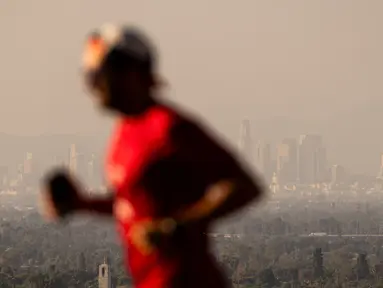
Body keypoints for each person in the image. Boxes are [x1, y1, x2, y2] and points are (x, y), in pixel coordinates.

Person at [40, 24, 265, 288]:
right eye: (89, 77)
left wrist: (178, 226)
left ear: (130, 73)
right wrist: (81, 204)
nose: (93, 86)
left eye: (99, 76)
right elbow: (133, 204)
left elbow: (244, 186)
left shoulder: (169, 127)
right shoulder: (124, 133)